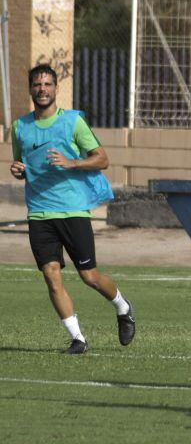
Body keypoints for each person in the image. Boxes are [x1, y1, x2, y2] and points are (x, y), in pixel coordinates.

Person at [8, 64, 135, 354]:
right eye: (37, 84)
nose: (42, 89)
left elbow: (102, 159)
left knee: (89, 276)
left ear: (55, 88)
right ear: (30, 89)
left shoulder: (73, 123)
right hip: (39, 212)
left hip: (73, 211)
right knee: (51, 275)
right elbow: (24, 166)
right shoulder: (19, 127)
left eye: (48, 84)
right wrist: (19, 170)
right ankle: (78, 339)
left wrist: (72, 162)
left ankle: (123, 306)